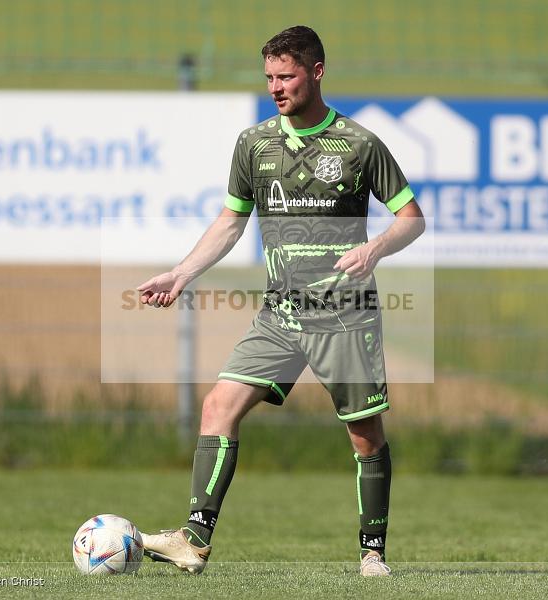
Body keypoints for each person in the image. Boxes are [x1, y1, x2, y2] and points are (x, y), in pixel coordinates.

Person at [135, 25, 424, 577]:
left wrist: (375, 249)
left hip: (345, 313)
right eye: (269, 77)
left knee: (365, 436)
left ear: (317, 72)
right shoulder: (254, 144)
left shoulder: (359, 145)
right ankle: (193, 541)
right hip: (280, 314)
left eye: (286, 76)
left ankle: (372, 553)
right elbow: (231, 221)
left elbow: (411, 220)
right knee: (218, 406)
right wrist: (182, 273)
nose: (275, 87)